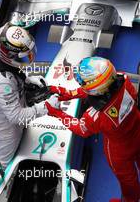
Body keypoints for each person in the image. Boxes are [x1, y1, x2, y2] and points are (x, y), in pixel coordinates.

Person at [45, 56, 140, 202]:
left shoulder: (95, 116)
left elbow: (81, 129)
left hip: (119, 150)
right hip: (137, 128)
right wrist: (65, 93)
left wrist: (56, 112)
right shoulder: (124, 79)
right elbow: (98, 89)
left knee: (128, 180)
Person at [0, 23, 59, 187]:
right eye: (19, 55)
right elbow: (16, 117)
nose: (24, 58)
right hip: (6, 121)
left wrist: (27, 80)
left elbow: (13, 69)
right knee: (4, 160)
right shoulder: (2, 83)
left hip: (11, 99)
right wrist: (46, 107)